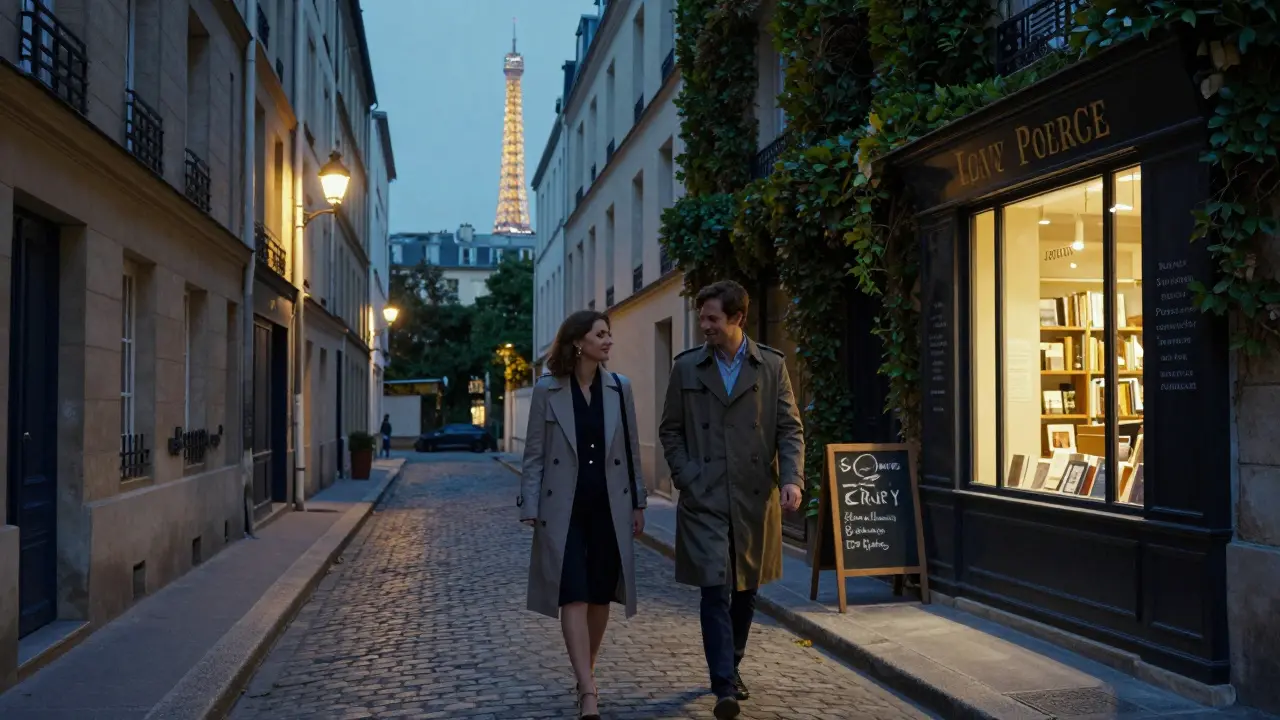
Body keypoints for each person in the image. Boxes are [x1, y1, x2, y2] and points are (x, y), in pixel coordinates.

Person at [659, 280, 805, 720]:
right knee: (714, 589)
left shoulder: (771, 366)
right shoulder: (686, 368)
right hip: (705, 496)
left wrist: (792, 478)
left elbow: (790, 427)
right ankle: (723, 683)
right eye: (701, 317)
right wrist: (688, 476)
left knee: (746, 592)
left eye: (712, 319)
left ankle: (733, 665)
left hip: (753, 495)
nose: (704, 326)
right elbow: (670, 429)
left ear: (738, 318)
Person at [518, 310, 647, 720]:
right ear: (579, 342)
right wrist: (530, 504)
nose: (609, 341)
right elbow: (534, 453)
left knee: (599, 596)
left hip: (610, 506)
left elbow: (630, 450)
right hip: (564, 508)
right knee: (571, 592)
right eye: (601, 334)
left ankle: (583, 673)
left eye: (609, 334)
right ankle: (589, 689)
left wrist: (639, 502)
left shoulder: (619, 388)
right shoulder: (547, 391)